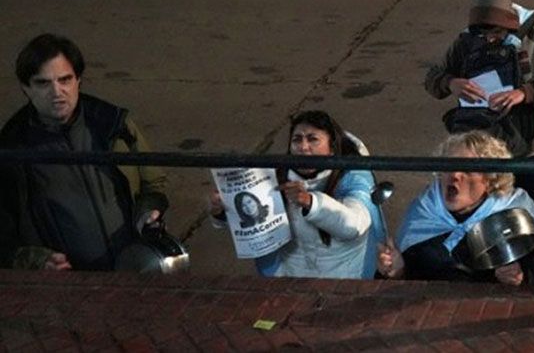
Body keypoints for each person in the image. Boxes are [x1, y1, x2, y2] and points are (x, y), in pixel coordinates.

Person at [0, 34, 169, 271]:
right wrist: (35, 259)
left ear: (78, 80)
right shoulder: (11, 149)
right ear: (25, 88)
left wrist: (147, 214)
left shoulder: (113, 124)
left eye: (65, 79)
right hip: (68, 287)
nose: (57, 91)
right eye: (43, 83)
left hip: (132, 269)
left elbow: (153, 182)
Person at [425, 0, 534, 219]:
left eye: (496, 32)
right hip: (486, 150)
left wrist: (524, 93)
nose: (489, 38)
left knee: (531, 217)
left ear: (510, 23)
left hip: (533, 148)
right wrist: (451, 83)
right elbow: (432, 78)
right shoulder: (466, 41)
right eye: (483, 34)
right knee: (485, 219)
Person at [209, 110, 385, 279]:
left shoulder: (353, 177)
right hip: (289, 280)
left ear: (332, 148)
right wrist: (224, 210)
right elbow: (251, 218)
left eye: (313, 139)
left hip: (345, 278)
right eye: (297, 140)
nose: (303, 147)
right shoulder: (274, 177)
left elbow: (353, 226)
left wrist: (311, 203)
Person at [376, 131, 534, 285]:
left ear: (491, 180)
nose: (454, 176)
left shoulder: (513, 217)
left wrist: (518, 279)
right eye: (449, 167)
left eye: (467, 170)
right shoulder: (422, 213)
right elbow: (402, 291)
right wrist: (398, 273)